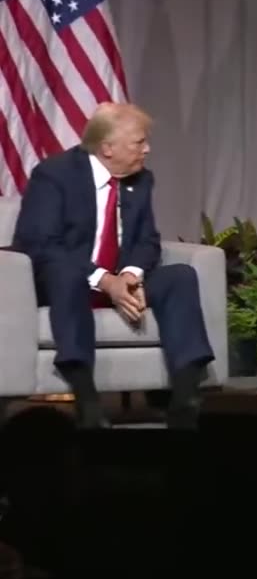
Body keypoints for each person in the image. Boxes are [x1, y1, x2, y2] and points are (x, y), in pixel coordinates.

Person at [11, 103, 214, 429]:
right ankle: (87, 401)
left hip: (119, 281)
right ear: (108, 147)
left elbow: (147, 241)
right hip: (65, 283)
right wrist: (105, 281)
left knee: (181, 277)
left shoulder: (140, 180)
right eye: (139, 142)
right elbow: (41, 244)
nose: (147, 149)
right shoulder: (54, 174)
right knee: (67, 274)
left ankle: (185, 401)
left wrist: (130, 275)